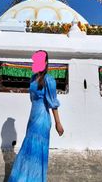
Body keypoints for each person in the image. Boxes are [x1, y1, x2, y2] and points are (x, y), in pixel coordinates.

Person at [8, 50, 64, 182]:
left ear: (45, 62)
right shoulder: (33, 79)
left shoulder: (49, 80)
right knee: (28, 151)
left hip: (43, 120)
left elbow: (53, 104)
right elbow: (32, 99)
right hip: (33, 118)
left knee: (37, 152)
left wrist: (58, 123)